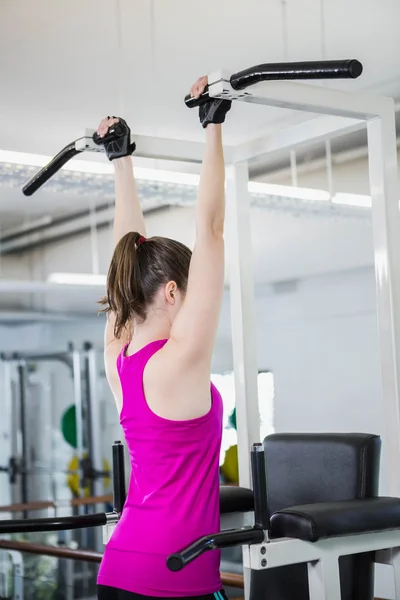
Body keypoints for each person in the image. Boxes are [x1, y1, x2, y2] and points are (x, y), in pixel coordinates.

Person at [96, 76, 232, 600]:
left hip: (120, 569)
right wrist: (213, 123)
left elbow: (124, 251)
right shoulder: (182, 361)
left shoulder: (119, 359)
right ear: (174, 292)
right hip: (177, 574)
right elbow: (212, 228)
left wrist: (120, 160)